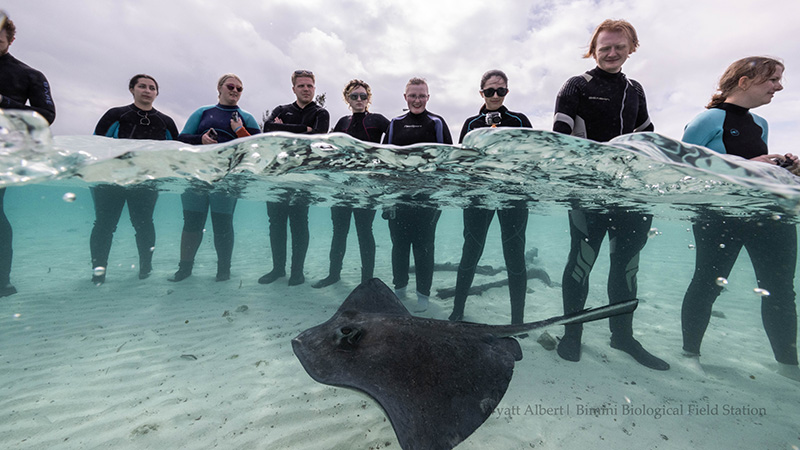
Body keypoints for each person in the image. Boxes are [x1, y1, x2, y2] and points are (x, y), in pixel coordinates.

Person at [552, 19, 668, 370]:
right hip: (589, 192)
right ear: (594, 48)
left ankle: (623, 336)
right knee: (581, 263)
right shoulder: (576, 85)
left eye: (619, 46)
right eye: (605, 46)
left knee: (627, 266)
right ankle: (572, 335)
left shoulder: (636, 89)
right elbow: (558, 136)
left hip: (630, 193)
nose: (611, 52)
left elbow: (647, 138)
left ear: (631, 48)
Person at [679, 56, 800, 382]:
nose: (779, 86)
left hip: (767, 213)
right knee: (707, 285)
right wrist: (745, 165)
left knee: (780, 290)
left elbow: (755, 167)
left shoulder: (761, 123)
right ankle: (690, 354)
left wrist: (780, 170)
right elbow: (680, 171)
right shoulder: (708, 119)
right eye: (772, 79)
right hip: (719, 214)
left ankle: (789, 365)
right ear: (744, 81)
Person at [449, 70, 532, 324]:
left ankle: (517, 320)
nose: (495, 95)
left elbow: (530, 157)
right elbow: (461, 160)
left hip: (513, 195)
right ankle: (458, 311)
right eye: (489, 91)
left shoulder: (519, 120)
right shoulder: (471, 123)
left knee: (515, 254)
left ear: (507, 92)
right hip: (478, 195)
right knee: (471, 251)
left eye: (501, 90)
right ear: (481, 92)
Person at [90, 74, 179, 284]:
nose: (147, 90)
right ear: (132, 89)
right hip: (111, 180)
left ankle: (145, 267)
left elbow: (177, 151)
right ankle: (98, 271)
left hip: (146, 181)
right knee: (104, 224)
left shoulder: (165, 122)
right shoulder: (116, 114)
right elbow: (96, 142)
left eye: (152, 87)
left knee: (144, 224)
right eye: (142, 86)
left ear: (157, 93)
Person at [171, 73, 260, 282]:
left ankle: (223, 271)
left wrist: (239, 130)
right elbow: (181, 139)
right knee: (192, 223)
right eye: (231, 86)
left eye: (240, 89)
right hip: (197, 177)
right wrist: (200, 140)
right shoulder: (202, 113)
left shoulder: (246, 117)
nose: (235, 91)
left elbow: (257, 148)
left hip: (228, 179)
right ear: (219, 88)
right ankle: (184, 268)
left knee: (222, 224)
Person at [383, 77, 452, 312]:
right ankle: (399, 290)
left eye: (422, 95)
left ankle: (423, 293)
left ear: (428, 97)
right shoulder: (395, 124)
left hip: (427, 199)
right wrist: (388, 199)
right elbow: (387, 163)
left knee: (424, 248)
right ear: (405, 97)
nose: (417, 100)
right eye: (412, 95)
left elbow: (448, 163)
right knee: (399, 246)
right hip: (400, 198)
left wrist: (438, 196)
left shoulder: (437, 123)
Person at [312, 79, 389, 288]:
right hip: (342, 187)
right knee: (339, 231)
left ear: (368, 98)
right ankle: (333, 274)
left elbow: (394, 139)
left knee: (365, 231)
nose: (359, 100)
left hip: (367, 186)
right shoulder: (342, 123)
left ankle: (367, 280)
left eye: (363, 96)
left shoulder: (378, 120)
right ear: (347, 98)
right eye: (354, 96)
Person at [0, 12, 56, 297]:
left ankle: (2, 281)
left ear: (10, 39)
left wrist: (3, 102)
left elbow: (46, 115)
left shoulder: (30, 75)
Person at [259, 70, 330, 286]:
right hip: (279, 174)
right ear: (294, 89)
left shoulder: (321, 113)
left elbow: (316, 136)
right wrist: (302, 129)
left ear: (314, 88)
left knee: (299, 223)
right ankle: (277, 269)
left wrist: (284, 128)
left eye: (310, 86)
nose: (306, 89)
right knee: (276, 224)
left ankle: (296, 272)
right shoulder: (281, 109)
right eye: (301, 86)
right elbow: (269, 128)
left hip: (303, 175)